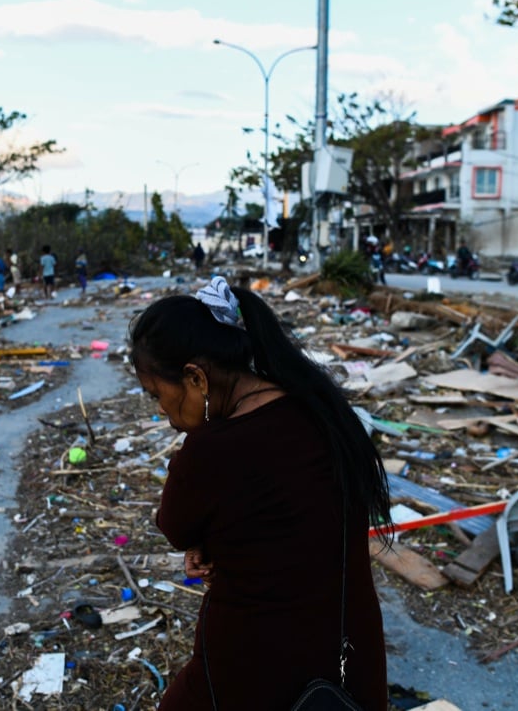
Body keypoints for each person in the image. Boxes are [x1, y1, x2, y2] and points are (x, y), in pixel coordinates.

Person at [128, 277, 391, 710]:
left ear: (196, 377)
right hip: (350, 657)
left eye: (158, 394)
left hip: (259, 662)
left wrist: (201, 540)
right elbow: (281, 515)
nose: (160, 410)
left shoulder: (213, 450)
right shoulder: (320, 407)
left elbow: (175, 524)